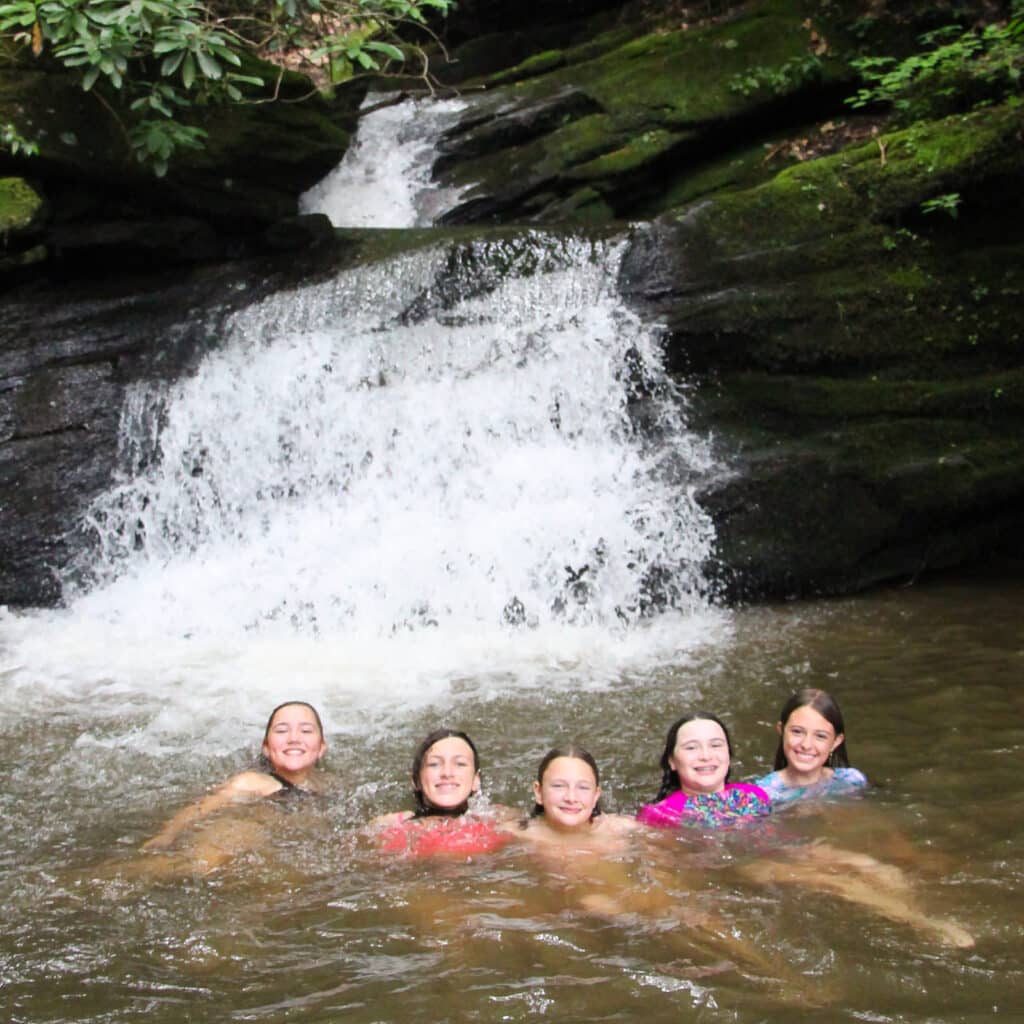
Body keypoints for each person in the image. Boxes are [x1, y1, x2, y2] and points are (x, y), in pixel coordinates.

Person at [142, 700, 327, 854]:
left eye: (306, 731)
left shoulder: (326, 784)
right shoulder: (250, 782)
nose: (294, 738)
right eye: (281, 731)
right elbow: (202, 808)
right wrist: (168, 834)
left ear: (321, 748)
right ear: (266, 748)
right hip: (230, 841)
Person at [372, 728, 513, 857]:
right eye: (434, 764)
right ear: (416, 781)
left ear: (476, 780)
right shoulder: (390, 826)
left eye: (460, 764)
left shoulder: (501, 819)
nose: (447, 773)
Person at [637, 712, 771, 828]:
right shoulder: (659, 815)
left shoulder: (755, 796)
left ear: (728, 756)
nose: (706, 756)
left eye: (716, 745)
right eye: (691, 748)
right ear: (672, 761)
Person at [513, 745, 638, 850]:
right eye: (558, 786)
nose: (571, 798)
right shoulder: (517, 835)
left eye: (583, 788)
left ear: (596, 795)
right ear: (538, 792)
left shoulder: (624, 831)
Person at [755, 689, 867, 806]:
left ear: (836, 742)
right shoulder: (763, 794)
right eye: (797, 731)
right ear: (781, 730)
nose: (806, 745)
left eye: (820, 736)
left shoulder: (852, 781)